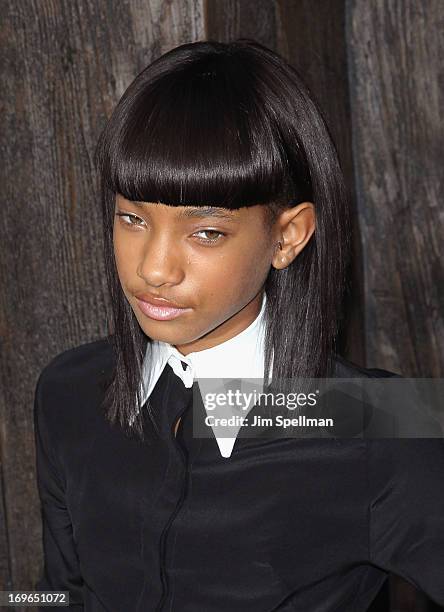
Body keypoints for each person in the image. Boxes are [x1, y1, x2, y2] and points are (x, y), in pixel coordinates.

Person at [33, 39, 444, 611]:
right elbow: (54, 596)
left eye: (206, 233)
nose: (153, 268)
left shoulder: (376, 422)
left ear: (288, 236)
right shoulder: (70, 390)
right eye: (132, 218)